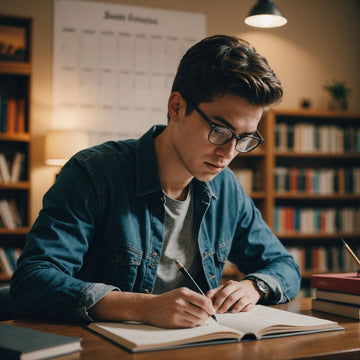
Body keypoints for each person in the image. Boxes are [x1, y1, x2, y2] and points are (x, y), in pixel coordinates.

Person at [10, 35, 300, 328]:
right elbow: (33, 282)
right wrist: (142, 308)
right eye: (220, 130)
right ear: (176, 107)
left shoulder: (226, 188)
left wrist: (253, 287)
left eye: (244, 138)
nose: (228, 152)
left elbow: (285, 267)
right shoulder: (92, 174)